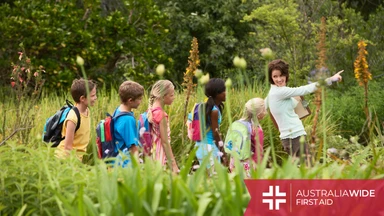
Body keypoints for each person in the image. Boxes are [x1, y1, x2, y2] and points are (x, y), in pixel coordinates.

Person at [265, 59, 343, 163]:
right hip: (293, 137)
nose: (279, 79)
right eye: (275, 76)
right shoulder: (279, 92)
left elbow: (263, 105)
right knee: (309, 169)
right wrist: (331, 79)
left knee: (303, 170)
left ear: (286, 75)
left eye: (281, 75)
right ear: (271, 78)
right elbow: (306, 89)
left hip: (293, 137)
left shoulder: (275, 91)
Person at [55, 78, 97, 161]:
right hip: (65, 160)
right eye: (92, 96)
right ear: (82, 98)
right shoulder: (72, 118)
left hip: (77, 158)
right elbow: (67, 147)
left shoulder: (87, 111)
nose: (95, 98)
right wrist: (76, 167)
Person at [228, 98, 267, 176]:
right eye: (264, 110)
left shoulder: (236, 124)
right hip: (249, 165)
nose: (266, 112)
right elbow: (258, 152)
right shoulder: (256, 130)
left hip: (234, 162)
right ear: (258, 115)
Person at [195, 78, 228, 170]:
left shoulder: (206, 107)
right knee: (214, 179)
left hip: (200, 146)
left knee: (207, 179)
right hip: (209, 148)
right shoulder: (214, 111)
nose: (226, 93)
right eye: (224, 91)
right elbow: (216, 134)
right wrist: (223, 154)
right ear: (217, 93)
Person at [147, 80, 179, 173]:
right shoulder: (162, 115)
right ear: (163, 96)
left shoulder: (151, 111)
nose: (174, 97)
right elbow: (165, 142)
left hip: (151, 152)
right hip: (159, 154)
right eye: (172, 95)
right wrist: (174, 165)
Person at [113, 81, 144, 167]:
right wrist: (137, 168)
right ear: (130, 100)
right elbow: (133, 147)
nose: (141, 101)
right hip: (125, 163)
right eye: (140, 99)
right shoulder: (128, 119)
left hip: (116, 159)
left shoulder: (118, 110)